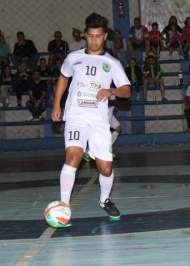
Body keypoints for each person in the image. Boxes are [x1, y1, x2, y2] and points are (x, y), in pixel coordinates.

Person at [51, 13, 131, 226]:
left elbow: (126, 91)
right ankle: (63, 207)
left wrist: (110, 90)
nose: (94, 40)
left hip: (98, 121)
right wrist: (56, 104)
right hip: (76, 116)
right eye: (90, 36)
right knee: (73, 158)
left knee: (106, 168)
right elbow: (63, 78)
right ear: (85, 36)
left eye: (98, 36)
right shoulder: (73, 58)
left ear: (104, 37)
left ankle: (104, 200)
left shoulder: (111, 63)